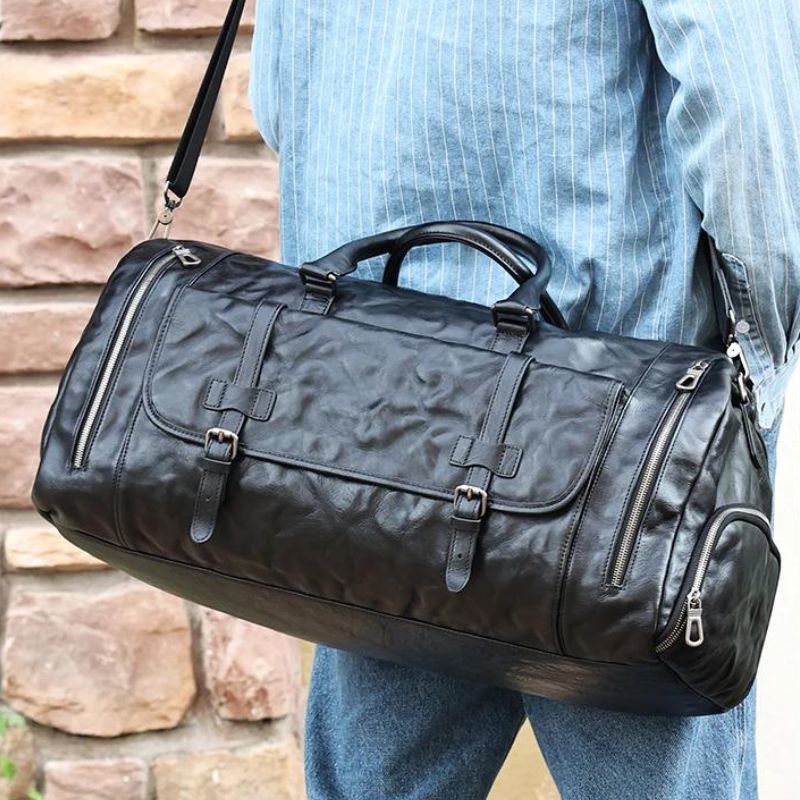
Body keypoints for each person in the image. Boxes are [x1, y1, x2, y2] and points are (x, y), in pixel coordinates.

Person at [249, 2, 799, 798]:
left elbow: (282, 96)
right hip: (625, 415)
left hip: (378, 392)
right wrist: (756, 357)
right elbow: (745, 103)